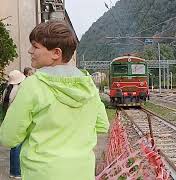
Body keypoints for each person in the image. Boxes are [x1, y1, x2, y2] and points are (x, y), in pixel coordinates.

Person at [0, 20, 109, 180]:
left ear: (56, 53)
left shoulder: (32, 85)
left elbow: (9, 137)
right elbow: (102, 125)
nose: (30, 51)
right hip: (82, 172)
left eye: (35, 47)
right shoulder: (89, 85)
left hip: (42, 173)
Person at [2, 70, 26, 179]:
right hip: (19, 119)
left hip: (9, 118)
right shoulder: (19, 89)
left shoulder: (7, 90)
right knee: (18, 146)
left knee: (14, 146)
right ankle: (17, 172)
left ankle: (13, 171)